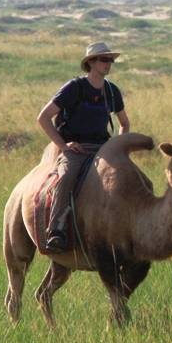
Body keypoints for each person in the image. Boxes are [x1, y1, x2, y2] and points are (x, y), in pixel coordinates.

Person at [36, 42, 131, 253]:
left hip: (103, 149)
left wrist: (117, 147)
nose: (109, 64)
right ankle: (56, 230)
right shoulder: (74, 88)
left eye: (111, 60)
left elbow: (124, 123)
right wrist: (64, 146)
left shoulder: (112, 91)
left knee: (129, 177)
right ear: (91, 62)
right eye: (104, 59)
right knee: (67, 176)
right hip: (77, 149)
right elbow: (43, 118)